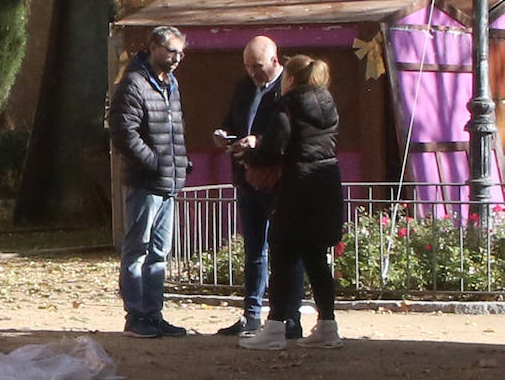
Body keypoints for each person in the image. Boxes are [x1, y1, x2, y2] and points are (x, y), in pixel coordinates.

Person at [237, 54, 345, 350]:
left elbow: (275, 148)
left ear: (292, 79)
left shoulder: (288, 105)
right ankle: (328, 326)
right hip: (326, 185)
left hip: (298, 188)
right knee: (316, 258)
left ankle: (273, 330)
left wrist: (250, 154)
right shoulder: (328, 104)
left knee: (283, 257)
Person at [213, 36, 302, 338]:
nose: (253, 72)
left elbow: (289, 136)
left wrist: (258, 142)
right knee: (253, 248)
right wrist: (224, 134)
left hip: (276, 181)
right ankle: (251, 315)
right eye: (248, 66)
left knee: (284, 249)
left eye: (258, 66)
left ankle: (288, 316)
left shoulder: (287, 89)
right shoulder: (244, 87)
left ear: (275, 61)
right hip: (246, 177)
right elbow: (232, 120)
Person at [109, 25, 191, 339]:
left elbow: (175, 130)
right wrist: (155, 162)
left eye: (181, 52)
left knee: (159, 252)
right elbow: (123, 133)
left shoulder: (171, 83)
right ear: (153, 48)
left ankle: (154, 314)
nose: (177, 58)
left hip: (168, 181)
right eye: (172, 51)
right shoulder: (133, 83)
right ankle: (136, 315)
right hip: (144, 182)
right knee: (137, 249)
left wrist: (180, 161)